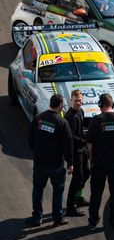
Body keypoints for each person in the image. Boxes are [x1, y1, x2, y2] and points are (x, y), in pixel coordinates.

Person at [26, 94, 73, 227]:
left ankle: (36, 217)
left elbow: (30, 139)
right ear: (60, 105)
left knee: (37, 190)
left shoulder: (39, 118)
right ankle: (58, 218)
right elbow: (68, 144)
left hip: (40, 163)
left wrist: (37, 153)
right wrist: (70, 163)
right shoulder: (62, 123)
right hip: (56, 165)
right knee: (58, 192)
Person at [87, 94, 114, 228]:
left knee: (96, 193)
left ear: (101, 105)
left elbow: (89, 143)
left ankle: (93, 220)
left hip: (99, 163)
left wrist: (91, 158)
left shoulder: (95, 120)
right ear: (112, 105)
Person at [65, 90, 90, 217]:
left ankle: (78, 198)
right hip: (75, 152)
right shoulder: (69, 117)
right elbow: (71, 138)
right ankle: (70, 207)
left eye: (80, 100)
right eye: (75, 101)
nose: (78, 103)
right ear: (71, 100)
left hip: (83, 149)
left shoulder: (81, 111)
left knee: (86, 173)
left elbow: (82, 129)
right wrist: (85, 140)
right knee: (77, 179)